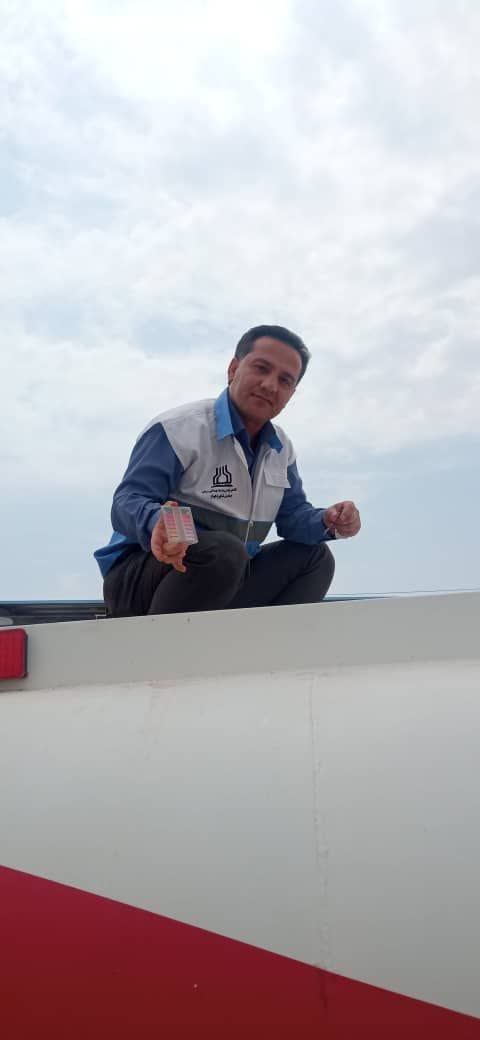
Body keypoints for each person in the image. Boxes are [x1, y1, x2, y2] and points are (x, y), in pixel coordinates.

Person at [94, 325, 361, 617]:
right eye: (261, 368)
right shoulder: (179, 429)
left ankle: (266, 645)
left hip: (227, 575)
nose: (270, 385)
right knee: (225, 552)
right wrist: (158, 523)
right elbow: (127, 500)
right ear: (233, 369)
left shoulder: (281, 450)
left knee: (315, 557)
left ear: (291, 393)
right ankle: (163, 643)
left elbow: (293, 518)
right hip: (142, 578)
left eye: (284, 380)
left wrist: (328, 521)